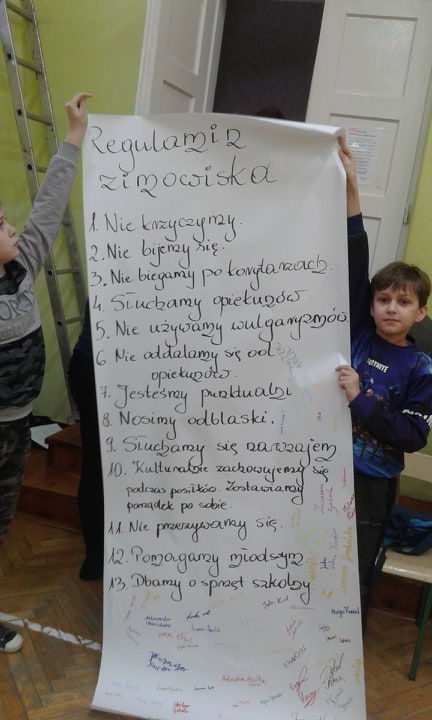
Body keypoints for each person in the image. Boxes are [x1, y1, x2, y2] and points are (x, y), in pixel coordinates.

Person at [0, 92, 91, 652]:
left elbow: (49, 205)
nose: (11, 227)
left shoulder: (21, 266)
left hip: (17, 428)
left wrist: (74, 135)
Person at [336, 136, 432, 628]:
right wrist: (351, 184)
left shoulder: (421, 369)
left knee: (354, 568)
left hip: (372, 485)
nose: (391, 308)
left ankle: (343, 646)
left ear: (421, 312)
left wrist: (360, 400)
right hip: (325, 470)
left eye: (403, 302)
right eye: (383, 299)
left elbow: (413, 435)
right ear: (371, 305)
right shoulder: (357, 333)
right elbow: (355, 255)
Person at [68, 299, 104, 581]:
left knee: (96, 466)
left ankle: (98, 557)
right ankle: (97, 557)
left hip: (103, 366)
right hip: (96, 369)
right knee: (96, 466)